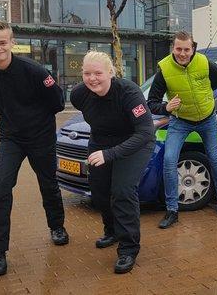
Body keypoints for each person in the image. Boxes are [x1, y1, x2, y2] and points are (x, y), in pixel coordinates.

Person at [0, 21, 68, 277]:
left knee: (48, 183)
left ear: (12, 42)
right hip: (11, 138)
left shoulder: (35, 71)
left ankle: (57, 226)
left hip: (41, 137)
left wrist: (36, 120)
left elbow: (57, 102)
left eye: (2, 42)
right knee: (0, 187)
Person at [70, 51, 155, 274]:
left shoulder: (129, 92)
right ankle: (112, 231)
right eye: (87, 73)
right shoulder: (79, 95)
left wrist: (110, 154)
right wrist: (103, 150)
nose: (92, 78)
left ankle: (128, 248)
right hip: (100, 141)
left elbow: (145, 132)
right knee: (99, 191)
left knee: (122, 190)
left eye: (98, 73)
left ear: (111, 72)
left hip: (134, 142)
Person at [147, 31, 217, 229]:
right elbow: (152, 103)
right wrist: (166, 108)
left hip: (207, 118)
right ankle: (172, 210)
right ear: (173, 48)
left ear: (193, 49)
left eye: (186, 49)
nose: (182, 53)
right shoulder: (164, 69)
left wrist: (205, 97)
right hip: (180, 120)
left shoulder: (206, 63)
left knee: (214, 157)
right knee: (169, 160)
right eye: (178, 49)